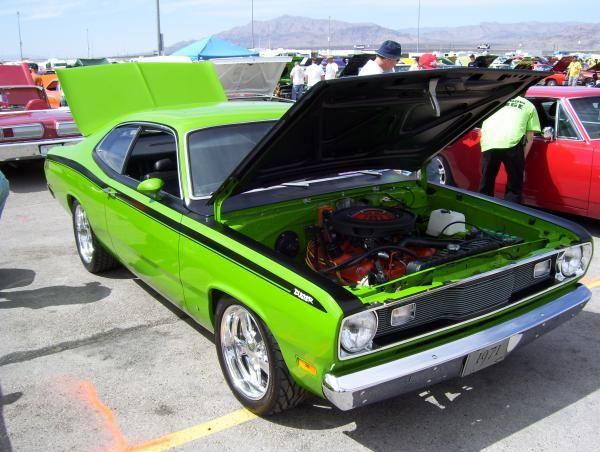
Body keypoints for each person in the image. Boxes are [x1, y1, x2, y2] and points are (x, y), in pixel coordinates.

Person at [478, 96, 541, 204]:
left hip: (490, 141)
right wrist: (522, 161)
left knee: (486, 182)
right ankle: (509, 209)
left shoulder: (494, 100)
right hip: (513, 143)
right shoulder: (529, 105)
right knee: (514, 186)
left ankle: (482, 208)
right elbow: (530, 137)